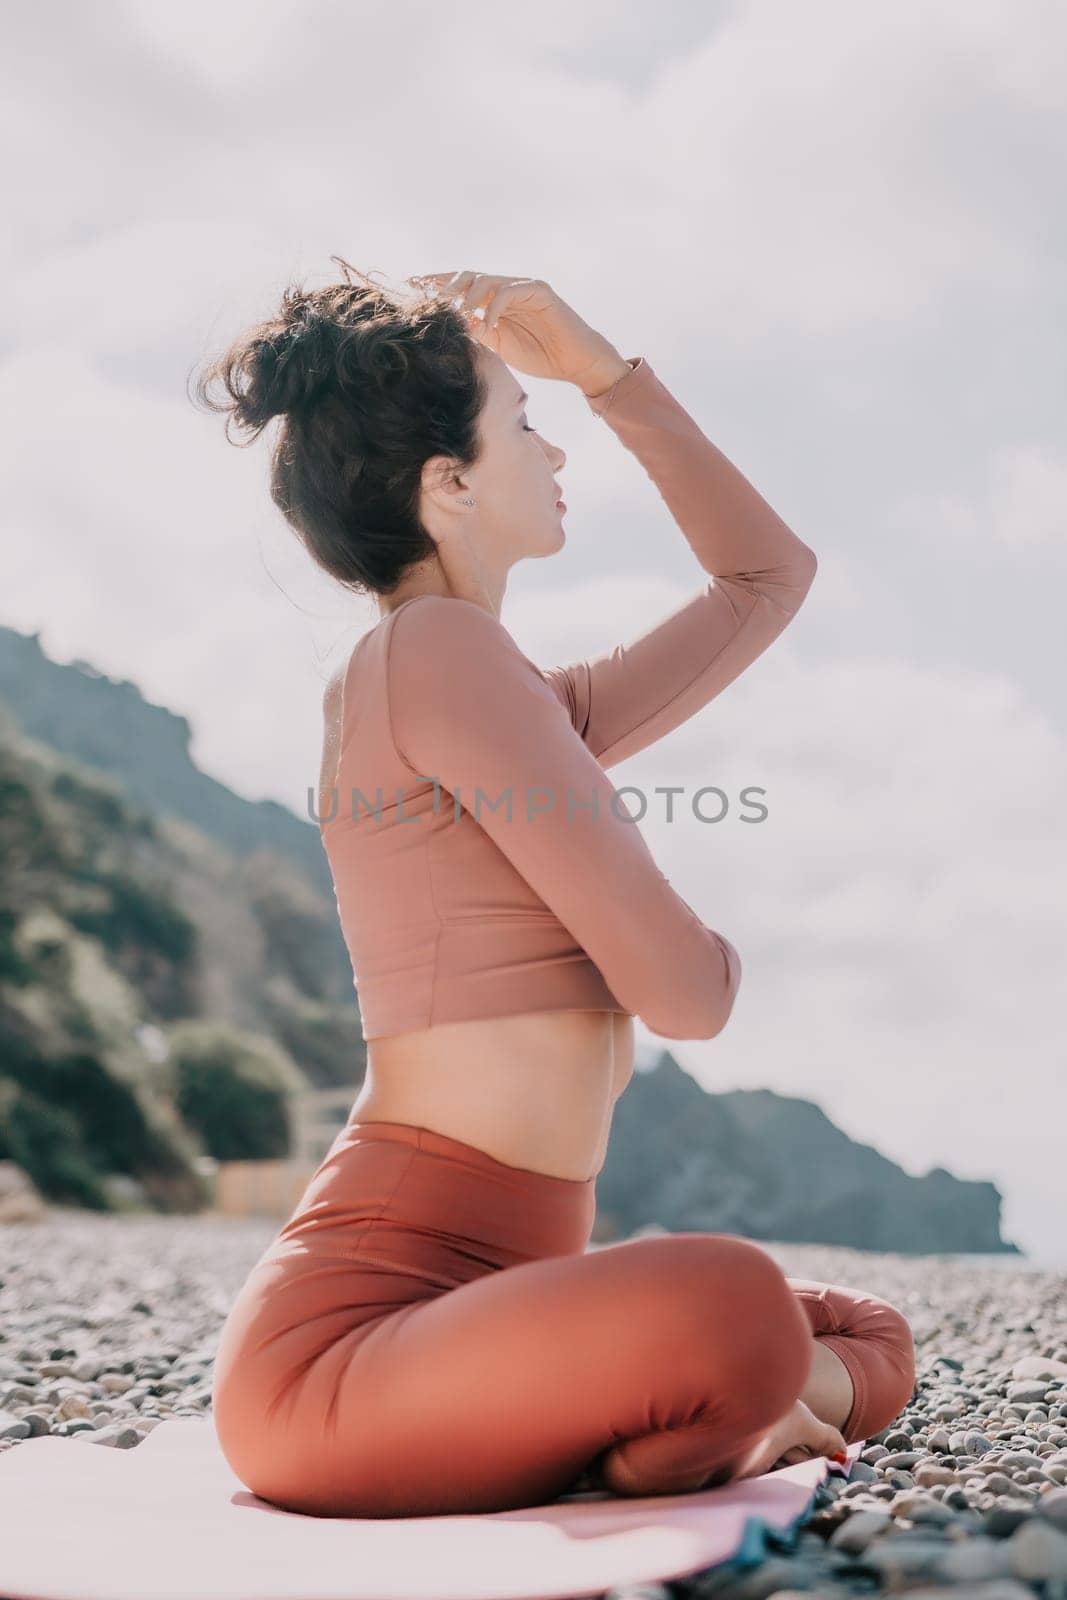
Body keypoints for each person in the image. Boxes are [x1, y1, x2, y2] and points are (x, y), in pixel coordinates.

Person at [193, 262, 915, 1517]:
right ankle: (662, 1426)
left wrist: (608, 375)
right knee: (734, 1311)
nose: (558, 452)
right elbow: (684, 995)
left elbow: (765, 580)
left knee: (870, 1336)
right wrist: (692, 940)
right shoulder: (432, 650)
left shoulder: (501, 687)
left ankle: (652, 1425)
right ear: (449, 482)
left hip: (478, 1314)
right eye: (527, 422)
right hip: (351, 1352)